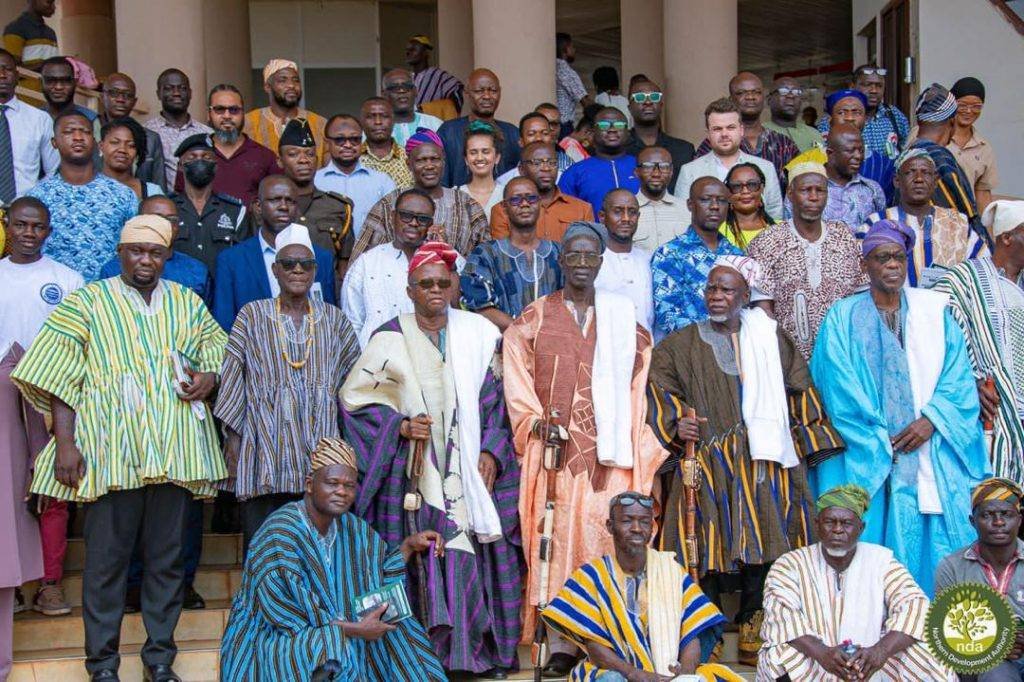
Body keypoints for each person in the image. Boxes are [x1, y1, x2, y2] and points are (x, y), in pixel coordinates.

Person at [11, 214, 227, 681]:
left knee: (167, 563)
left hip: (174, 452)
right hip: (110, 454)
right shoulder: (88, 301)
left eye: (154, 252)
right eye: (135, 251)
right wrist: (65, 444)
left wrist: (208, 377)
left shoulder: (186, 303)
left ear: (168, 256)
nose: (145, 260)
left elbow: (219, 351)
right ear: (121, 253)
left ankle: (159, 659)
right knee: (106, 565)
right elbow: (58, 375)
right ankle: (103, 665)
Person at [649, 256, 844, 666]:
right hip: (706, 460)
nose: (717, 297)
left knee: (769, 536)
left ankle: (757, 619)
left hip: (765, 457)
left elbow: (799, 388)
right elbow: (662, 390)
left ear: (745, 296)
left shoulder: (771, 339)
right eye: (711, 289)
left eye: (727, 290)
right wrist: (676, 425)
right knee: (703, 540)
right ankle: (709, 627)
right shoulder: (677, 345)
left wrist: (807, 437)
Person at [341, 241, 522, 676]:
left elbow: (497, 404)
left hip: (469, 476)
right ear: (410, 290)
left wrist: (490, 452)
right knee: (430, 558)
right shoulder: (388, 336)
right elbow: (356, 401)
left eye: (444, 282)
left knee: (471, 558)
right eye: (426, 284)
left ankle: (476, 656)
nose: (435, 290)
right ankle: (428, 660)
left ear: (457, 285)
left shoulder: (477, 334)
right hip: (413, 476)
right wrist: (398, 427)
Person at [503, 221, 667, 676]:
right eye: (571, 255)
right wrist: (536, 423)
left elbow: (638, 390)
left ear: (600, 262)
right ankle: (560, 643)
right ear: (561, 259)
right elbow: (516, 382)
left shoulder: (627, 325)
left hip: (609, 457)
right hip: (553, 458)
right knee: (552, 542)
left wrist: (635, 443)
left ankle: (609, 639)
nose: (580, 263)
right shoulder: (532, 319)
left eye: (588, 256)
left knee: (601, 538)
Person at [811, 219, 991, 595]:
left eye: (898, 257)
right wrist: (880, 438)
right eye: (882, 258)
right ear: (866, 265)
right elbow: (836, 385)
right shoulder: (841, 317)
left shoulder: (934, 313)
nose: (892, 265)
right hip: (867, 448)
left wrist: (931, 421)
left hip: (929, 445)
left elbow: (958, 378)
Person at [219, 438, 447, 681]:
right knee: (325, 646)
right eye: (332, 483)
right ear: (310, 484)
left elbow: (377, 576)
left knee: (401, 630)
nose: (342, 491)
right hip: (275, 637)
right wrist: (357, 630)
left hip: (337, 629)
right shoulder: (280, 532)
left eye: (349, 485)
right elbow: (287, 616)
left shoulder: (354, 528)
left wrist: (408, 546)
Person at [215, 223, 358, 553]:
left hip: (321, 459)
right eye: (289, 264)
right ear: (275, 270)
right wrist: (233, 448)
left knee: (318, 553)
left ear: (315, 271)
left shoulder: (335, 320)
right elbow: (233, 382)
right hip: (264, 454)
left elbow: (355, 388)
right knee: (265, 551)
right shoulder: (251, 316)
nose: (297, 270)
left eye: (305, 264)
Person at [760, 485, 953, 681]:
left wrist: (880, 651)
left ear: (861, 528)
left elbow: (915, 606)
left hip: (870, 663)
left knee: (927, 653)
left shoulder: (881, 561)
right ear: (817, 525)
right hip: (816, 662)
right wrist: (823, 653)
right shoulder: (790, 564)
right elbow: (781, 616)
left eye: (846, 523)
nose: (837, 529)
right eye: (829, 522)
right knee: (778, 655)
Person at [542, 492, 742, 682]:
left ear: (652, 528)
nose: (637, 528)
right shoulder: (590, 577)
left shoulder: (671, 571)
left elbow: (693, 630)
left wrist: (685, 674)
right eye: (627, 520)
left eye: (644, 521)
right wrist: (637, 675)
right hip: (618, 672)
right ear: (610, 526)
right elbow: (594, 645)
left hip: (667, 673)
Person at [0, 197, 82, 625]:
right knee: (4, 491)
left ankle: (50, 583)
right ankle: (8, 584)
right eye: (20, 225)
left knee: (52, 488)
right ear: (7, 226)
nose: (28, 234)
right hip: (1, 392)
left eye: (37, 227)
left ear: (49, 231)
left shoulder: (65, 278)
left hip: (52, 392)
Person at [933, 200, 1024, 485]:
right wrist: (969, 381)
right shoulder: (964, 279)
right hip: (987, 409)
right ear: (1006, 238)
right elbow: (937, 339)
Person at [747, 163, 865, 359]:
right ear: (791, 194)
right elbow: (763, 309)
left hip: (842, 356)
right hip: (789, 358)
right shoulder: (767, 241)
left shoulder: (844, 237)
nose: (813, 197)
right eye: (805, 190)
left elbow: (860, 301)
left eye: (820, 190)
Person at [213, 175, 336, 331]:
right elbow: (224, 324)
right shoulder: (232, 260)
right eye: (275, 200)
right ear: (258, 206)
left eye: (290, 201)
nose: (283, 206)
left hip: (310, 352)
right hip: (251, 352)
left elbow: (330, 319)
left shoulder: (321, 258)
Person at [341, 188, 461, 347]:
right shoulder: (367, 263)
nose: (413, 223)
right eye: (406, 216)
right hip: (378, 360)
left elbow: (458, 311)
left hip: (434, 358)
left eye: (422, 219)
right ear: (392, 217)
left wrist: (443, 254)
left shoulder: (450, 258)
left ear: (431, 224)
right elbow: (352, 324)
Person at [27, 110, 137, 282]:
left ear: (94, 142)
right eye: (69, 132)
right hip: (53, 296)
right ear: (54, 142)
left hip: (108, 297)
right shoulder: (37, 197)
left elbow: (135, 248)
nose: (78, 137)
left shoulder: (122, 195)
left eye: (85, 132)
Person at [935, 478, 1024, 682]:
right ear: (972, 521)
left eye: (1006, 515)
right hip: (983, 661)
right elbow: (946, 633)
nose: (999, 522)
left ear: (1019, 520)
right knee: (997, 674)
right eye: (987, 515)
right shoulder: (952, 567)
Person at [351, 130, 489, 260]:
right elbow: (362, 259)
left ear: (443, 162)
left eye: (434, 159)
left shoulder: (467, 206)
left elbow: (485, 260)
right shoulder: (389, 204)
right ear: (408, 164)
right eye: (421, 160)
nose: (429, 166)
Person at [861, 147, 984, 288]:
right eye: (910, 173)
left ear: (936, 180)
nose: (919, 179)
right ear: (897, 181)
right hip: (892, 307)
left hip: (947, 306)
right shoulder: (876, 223)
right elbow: (862, 273)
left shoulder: (957, 223)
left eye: (925, 173)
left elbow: (979, 267)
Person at [460, 177, 561, 331]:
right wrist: (523, 331)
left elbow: (572, 301)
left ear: (540, 204)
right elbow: (479, 306)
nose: (525, 204)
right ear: (504, 208)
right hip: (502, 347)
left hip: (552, 346)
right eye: (515, 200)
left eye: (531, 198)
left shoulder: (558, 252)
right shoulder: (485, 254)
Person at [652, 177, 742, 338]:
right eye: (706, 200)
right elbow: (668, 316)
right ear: (690, 205)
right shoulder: (669, 254)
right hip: (690, 352)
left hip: (736, 348)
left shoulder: (736, 255)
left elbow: (745, 306)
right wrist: (716, 333)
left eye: (721, 201)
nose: (714, 206)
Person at [673, 98, 782, 223]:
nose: (724, 134)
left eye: (730, 127)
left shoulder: (765, 167)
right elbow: (683, 217)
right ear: (708, 134)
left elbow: (775, 214)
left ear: (741, 130)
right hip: (706, 241)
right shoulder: (689, 171)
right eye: (717, 129)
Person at [786, 88, 897, 206]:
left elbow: (886, 212)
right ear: (830, 120)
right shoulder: (804, 162)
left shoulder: (883, 164)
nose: (849, 118)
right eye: (842, 112)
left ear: (865, 120)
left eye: (856, 112)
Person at [904, 82, 985, 244]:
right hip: (945, 249)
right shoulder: (940, 159)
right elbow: (966, 216)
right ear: (952, 121)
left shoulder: (906, 156)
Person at [279, 118, 355, 283]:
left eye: (310, 154)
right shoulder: (269, 207)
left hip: (325, 297)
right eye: (293, 154)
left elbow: (344, 267)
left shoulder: (339, 207)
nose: (303, 160)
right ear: (280, 160)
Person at [100, 195, 211, 304]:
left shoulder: (197, 270)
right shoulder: (113, 269)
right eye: (156, 218)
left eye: (172, 220)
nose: (165, 224)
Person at [183, 83, 281, 206]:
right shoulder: (193, 155)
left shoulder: (265, 157)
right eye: (219, 109)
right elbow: (181, 200)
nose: (227, 116)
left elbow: (278, 200)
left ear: (243, 114)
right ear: (209, 114)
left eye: (234, 110)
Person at [696, 72, 798, 188]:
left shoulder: (784, 143)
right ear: (731, 99)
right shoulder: (713, 143)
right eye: (741, 93)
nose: (750, 97)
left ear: (764, 98)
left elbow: (798, 186)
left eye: (757, 92)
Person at [167, 133, 248, 275]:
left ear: (216, 166)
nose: (200, 161)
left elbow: (242, 260)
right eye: (192, 157)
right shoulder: (168, 208)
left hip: (220, 292)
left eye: (206, 157)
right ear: (180, 166)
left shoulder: (234, 210)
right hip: (178, 292)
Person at [783, 122, 885, 228]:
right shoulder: (803, 188)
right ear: (830, 153)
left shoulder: (872, 189)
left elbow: (880, 231)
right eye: (850, 151)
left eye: (861, 150)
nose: (858, 156)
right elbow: (789, 230)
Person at [313, 114, 396, 241]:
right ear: (327, 142)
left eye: (354, 139)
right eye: (340, 140)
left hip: (371, 256)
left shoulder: (383, 182)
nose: (348, 145)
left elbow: (393, 225)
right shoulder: (315, 181)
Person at [490, 141, 592, 241]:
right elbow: (502, 254)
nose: (546, 168)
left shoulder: (582, 209)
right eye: (537, 163)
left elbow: (587, 252)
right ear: (521, 170)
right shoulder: (503, 210)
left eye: (552, 163)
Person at [437, 68, 520, 186]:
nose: (487, 96)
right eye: (479, 91)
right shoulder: (448, 132)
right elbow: (442, 181)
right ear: (467, 93)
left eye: (493, 90)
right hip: (457, 201)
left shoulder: (512, 133)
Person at [559, 107, 640, 217]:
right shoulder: (575, 173)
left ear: (627, 132)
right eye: (604, 125)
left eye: (619, 125)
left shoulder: (642, 167)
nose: (612, 129)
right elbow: (565, 215)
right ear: (593, 132)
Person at [244, 59, 328, 165]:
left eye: (296, 80)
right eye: (282, 80)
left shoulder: (320, 124)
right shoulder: (248, 123)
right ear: (267, 87)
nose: (291, 85)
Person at [819, 63, 910, 161]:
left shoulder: (894, 116)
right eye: (867, 85)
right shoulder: (831, 121)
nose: (874, 90)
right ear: (852, 86)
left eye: (879, 86)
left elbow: (907, 151)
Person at [0, 48, 58, 200]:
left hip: (27, 213)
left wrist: (34, 199)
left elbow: (54, 170)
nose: (2, 75)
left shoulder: (39, 119)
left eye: (8, 69)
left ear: (18, 76)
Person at [594, 188, 653, 331]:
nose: (626, 218)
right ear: (602, 217)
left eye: (632, 212)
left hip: (648, 349)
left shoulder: (649, 260)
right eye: (618, 211)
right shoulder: (592, 261)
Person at [624, 78, 695, 195]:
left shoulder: (684, 150)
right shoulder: (619, 151)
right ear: (629, 107)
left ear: (661, 105)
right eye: (640, 97)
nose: (648, 102)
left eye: (654, 97)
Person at [144, 68, 213, 187]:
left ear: (190, 93)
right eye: (168, 88)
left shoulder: (207, 133)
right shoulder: (146, 133)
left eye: (182, 88)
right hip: (160, 202)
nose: (176, 93)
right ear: (158, 94)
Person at [98, 72, 166, 191]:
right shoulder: (87, 133)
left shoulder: (151, 138)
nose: (120, 99)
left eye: (127, 95)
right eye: (114, 93)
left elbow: (159, 183)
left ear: (134, 102)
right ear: (102, 97)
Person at [948, 76, 998, 215]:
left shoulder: (984, 148)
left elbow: (982, 194)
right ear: (952, 103)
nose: (969, 111)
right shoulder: (932, 135)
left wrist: (986, 234)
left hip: (966, 223)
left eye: (976, 106)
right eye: (962, 105)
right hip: (932, 219)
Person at [633, 145, 688, 252]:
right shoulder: (626, 211)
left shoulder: (687, 209)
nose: (656, 173)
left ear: (672, 171)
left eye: (664, 166)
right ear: (636, 172)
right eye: (648, 166)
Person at [493, 111, 570, 186]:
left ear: (551, 138)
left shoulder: (565, 177)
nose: (539, 138)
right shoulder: (504, 183)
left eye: (545, 133)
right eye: (531, 134)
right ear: (521, 142)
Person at [98, 117, 164, 199]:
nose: (122, 149)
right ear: (101, 146)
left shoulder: (152, 192)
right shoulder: (84, 187)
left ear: (137, 152)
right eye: (115, 143)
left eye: (131, 145)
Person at [359, 96, 413, 188]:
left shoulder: (410, 158)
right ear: (361, 121)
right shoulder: (352, 159)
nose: (378, 122)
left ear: (393, 120)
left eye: (384, 116)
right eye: (371, 117)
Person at [382, 67, 443, 148]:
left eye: (406, 86)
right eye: (394, 88)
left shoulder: (435, 124)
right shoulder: (376, 129)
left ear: (415, 91)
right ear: (384, 94)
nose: (401, 91)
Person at [720, 162, 775, 249]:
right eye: (737, 186)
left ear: (762, 188)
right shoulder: (715, 232)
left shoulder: (781, 228)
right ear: (728, 191)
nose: (745, 191)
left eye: (752, 184)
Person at [406, 34, 463, 117]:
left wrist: (428, 108)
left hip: (432, 126)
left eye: (413, 49)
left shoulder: (440, 77)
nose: (408, 53)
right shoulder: (406, 78)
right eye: (407, 50)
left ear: (425, 53)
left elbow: (455, 102)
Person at [2, 0, 57, 82]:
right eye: (49, 2)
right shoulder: (15, 28)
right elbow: (11, 70)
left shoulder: (50, 32)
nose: (53, 7)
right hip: (27, 93)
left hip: (47, 92)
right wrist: (47, 65)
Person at [454, 120, 502, 214]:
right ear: (466, 159)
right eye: (473, 152)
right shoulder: (454, 195)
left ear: (497, 157)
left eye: (485, 151)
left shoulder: (507, 194)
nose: (479, 158)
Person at [764, 77, 821, 152]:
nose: (791, 96)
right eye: (783, 91)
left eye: (796, 92)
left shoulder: (814, 134)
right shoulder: (759, 133)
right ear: (769, 100)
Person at [38, 56, 96, 122]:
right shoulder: (31, 118)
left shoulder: (91, 119)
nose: (58, 87)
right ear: (40, 82)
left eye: (65, 81)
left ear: (75, 82)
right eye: (51, 80)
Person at [555, 33, 591, 136]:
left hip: (556, 123)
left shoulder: (553, 67)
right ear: (565, 49)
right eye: (572, 46)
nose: (575, 50)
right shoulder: (566, 71)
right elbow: (586, 102)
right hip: (564, 126)